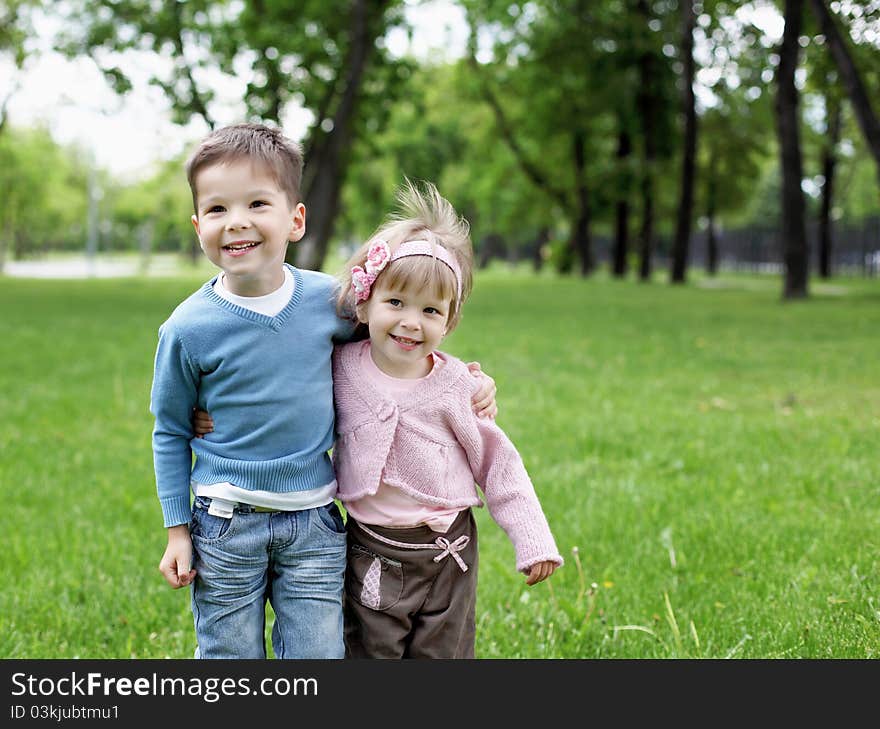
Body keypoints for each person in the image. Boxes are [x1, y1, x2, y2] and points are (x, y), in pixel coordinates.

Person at [150, 123, 496, 659]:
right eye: (217, 210)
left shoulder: (327, 303)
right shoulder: (187, 329)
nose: (237, 221)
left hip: (314, 522)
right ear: (198, 226)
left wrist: (470, 381)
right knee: (229, 660)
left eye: (257, 204)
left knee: (317, 659)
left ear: (295, 219)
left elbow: (398, 342)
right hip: (224, 524)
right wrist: (177, 531)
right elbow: (170, 429)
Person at [332, 180, 562, 658]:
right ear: (366, 301)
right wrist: (210, 413)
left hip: (446, 553)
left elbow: (498, 465)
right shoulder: (340, 368)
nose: (411, 322)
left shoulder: (458, 387)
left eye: (430, 310)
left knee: (444, 653)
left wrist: (533, 538)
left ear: (450, 319)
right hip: (369, 548)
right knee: (368, 650)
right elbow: (281, 395)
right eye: (395, 303)